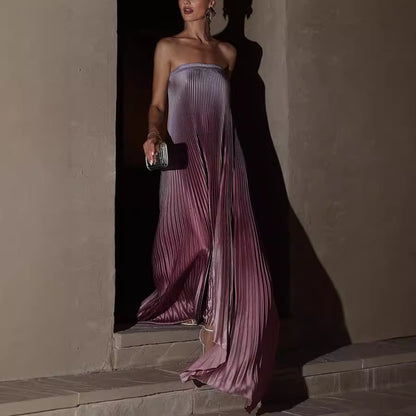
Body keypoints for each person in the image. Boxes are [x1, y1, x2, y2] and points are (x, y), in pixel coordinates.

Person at [137, 0, 280, 411]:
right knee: (194, 238)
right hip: (184, 159)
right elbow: (158, 104)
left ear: (212, 2)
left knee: (235, 252)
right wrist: (153, 133)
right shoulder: (167, 47)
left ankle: (223, 333)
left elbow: (222, 113)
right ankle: (195, 303)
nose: (185, 1)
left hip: (224, 158)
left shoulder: (228, 54)